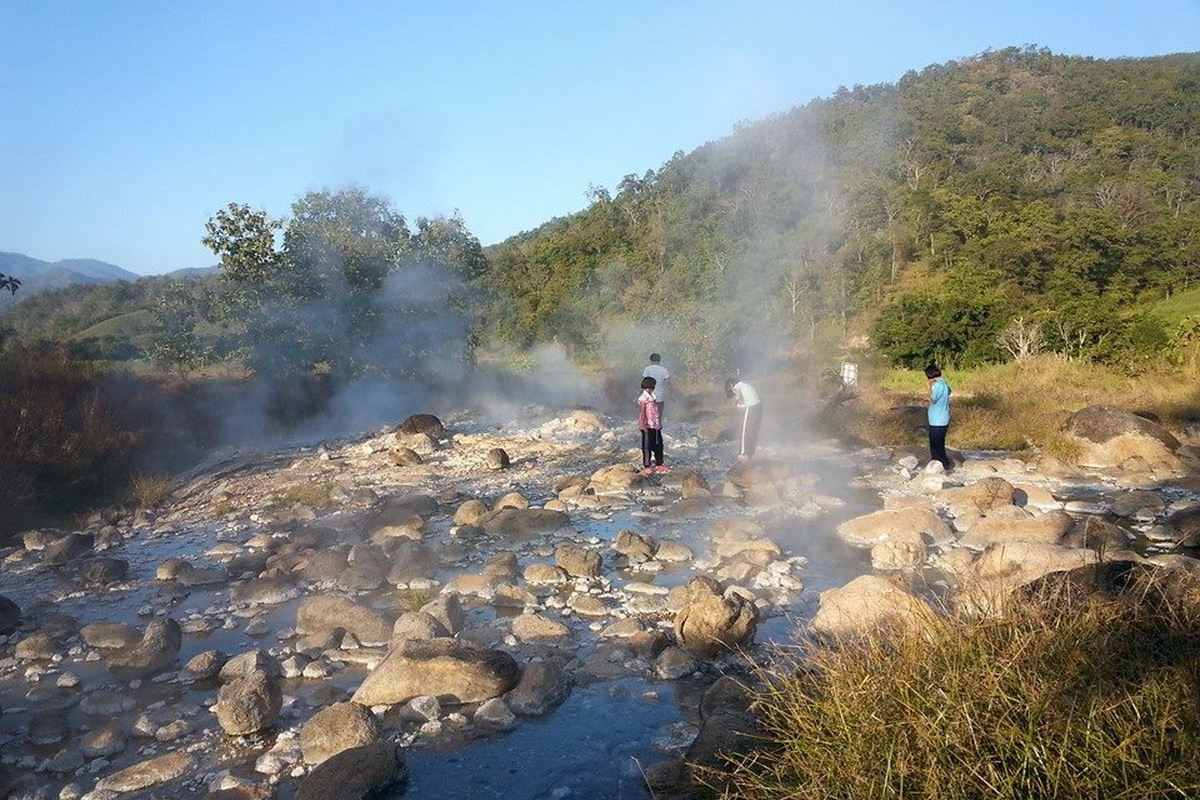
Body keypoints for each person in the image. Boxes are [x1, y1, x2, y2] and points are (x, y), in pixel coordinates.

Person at [725, 376, 762, 460]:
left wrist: (736, 403)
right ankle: (751, 453)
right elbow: (747, 399)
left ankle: (743, 453)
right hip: (758, 406)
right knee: (754, 431)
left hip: (751, 407)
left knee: (744, 430)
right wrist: (740, 406)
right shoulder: (745, 385)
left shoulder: (736, 387)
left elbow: (738, 397)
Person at [925, 363, 952, 470]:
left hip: (937, 419)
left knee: (935, 444)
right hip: (944, 417)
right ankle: (945, 463)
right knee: (940, 442)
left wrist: (928, 388)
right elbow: (950, 391)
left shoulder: (937, 385)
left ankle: (939, 465)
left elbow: (933, 399)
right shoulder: (944, 383)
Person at [637, 376, 666, 474]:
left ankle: (659, 463)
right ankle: (647, 465)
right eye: (649, 387)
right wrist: (643, 424)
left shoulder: (653, 397)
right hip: (647, 425)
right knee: (647, 446)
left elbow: (656, 412)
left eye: (652, 387)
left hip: (656, 425)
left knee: (658, 444)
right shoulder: (643, 399)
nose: (650, 389)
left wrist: (660, 422)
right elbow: (642, 413)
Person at [642, 353, 669, 425]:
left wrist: (639, 393)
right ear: (659, 360)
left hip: (648, 396)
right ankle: (658, 430)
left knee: (649, 416)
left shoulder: (647, 369)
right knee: (658, 416)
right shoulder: (663, 370)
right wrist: (672, 394)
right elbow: (667, 383)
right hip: (660, 396)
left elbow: (644, 382)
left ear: (651, 360)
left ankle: (650, 431)